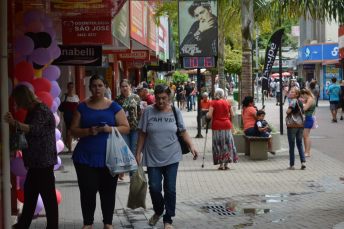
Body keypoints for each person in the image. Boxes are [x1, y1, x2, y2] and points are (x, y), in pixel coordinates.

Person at [70, 75, 130, 228]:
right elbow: (73, 130)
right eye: (94, 86)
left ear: (105, 87)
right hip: (85, 156)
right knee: (87, 191)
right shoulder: (81, 107)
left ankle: (108, 223)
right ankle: (88, 223)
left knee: (108, 191)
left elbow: (126, 127)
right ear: (89, 87)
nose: (97, 89)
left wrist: (110, 129)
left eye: (100, 85)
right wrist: (88, 131)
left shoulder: (114, 106)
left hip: (109, 157)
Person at [135, 85, 198, 229]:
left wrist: (192, 146)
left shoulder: (175, 111)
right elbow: (142, 134)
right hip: (152, 155)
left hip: (172, 155)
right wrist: (138, 153)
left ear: (169, 96)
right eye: (157, 98)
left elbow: (183, 131)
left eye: (163, 98)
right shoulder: (148, 112)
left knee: (170, 189)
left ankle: (168, 220)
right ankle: (158, 211)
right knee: (154, 188)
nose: (160, 101)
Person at [4, 85, 58, 228]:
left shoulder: (40, 110)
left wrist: (14, 123)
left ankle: (52, 226)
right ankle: (23, 224)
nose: (18, 104)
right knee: (30, 192)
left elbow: (33, 129)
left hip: (43, 160)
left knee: (48, 196)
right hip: (36, 160)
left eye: (18, 100)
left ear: (24, 98)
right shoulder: (34, 109)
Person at [115, 79, 141, 181]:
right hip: (123, 128)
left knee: (133, 152)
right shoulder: (118, 99)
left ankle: (132, 176)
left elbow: (139, 112)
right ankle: (123, 170)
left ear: (130, 86)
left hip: (135, 128)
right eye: (122, 86)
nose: (124, 88)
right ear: (120, 88)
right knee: (125, 151)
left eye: (126, 86)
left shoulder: (136, 97)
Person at [207, 88, 238, 169]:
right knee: (227, 144)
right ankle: (227, 164)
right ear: (223, 94)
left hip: (217, 125)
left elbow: (209, 115)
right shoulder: (227, 103)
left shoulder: (213, 103)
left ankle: (221, 164)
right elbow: (233, 114)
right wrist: (229, 120)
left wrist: (208, 116)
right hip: (227, 125)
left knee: (218, 144)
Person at [286, 88, 306, 170]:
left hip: (292, 125)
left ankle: (292, 165)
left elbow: (288, 111)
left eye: (293, 92)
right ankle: (303, 162)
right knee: (299, 143)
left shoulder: (293, 101)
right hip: (300, 124)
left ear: (297, 94)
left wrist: (288, 111)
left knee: (291, 145)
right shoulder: (300, 101)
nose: (291, 93)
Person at [61, 82, 80, 153]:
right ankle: (70, 148)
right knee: (70, 131)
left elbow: (78, 107)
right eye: (69, 87)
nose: (71, 88)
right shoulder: (64, 96)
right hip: (67, 115)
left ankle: (66, 141)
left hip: (75, 115)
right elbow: (60, 106)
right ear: (67, 88)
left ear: (73, 88)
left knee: (73, 131)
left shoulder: (76, 97)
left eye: (72, 87)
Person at [300, 88, 316, 157]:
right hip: (308, 118)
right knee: (305, 135)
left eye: (302, 96)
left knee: (306, 135)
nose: (302, 97)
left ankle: (307, 152)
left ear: (305, 94)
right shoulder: (310, 99)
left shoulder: (310, 100)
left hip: (308, 118)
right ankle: (306, 151)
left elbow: (304, 109)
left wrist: (302, 104)